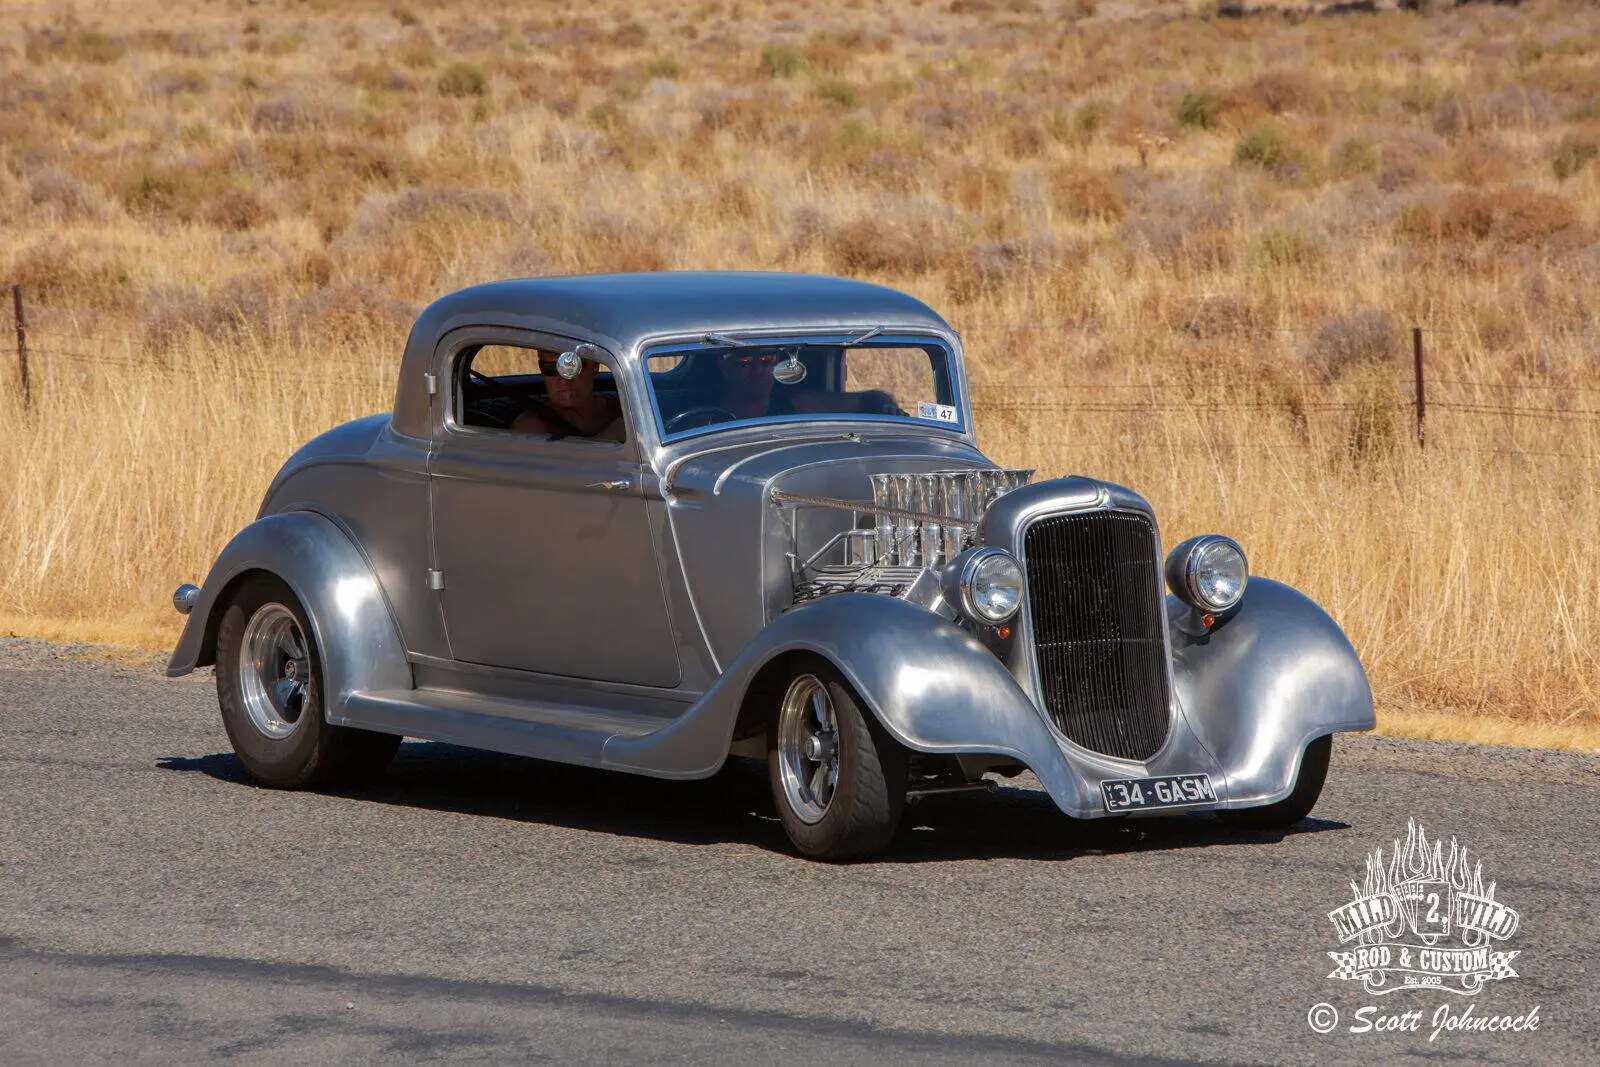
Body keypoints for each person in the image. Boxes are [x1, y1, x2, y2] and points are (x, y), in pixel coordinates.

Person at [512, 351, 625, 441]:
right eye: (550, 368)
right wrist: (610, 437)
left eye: (572, 367)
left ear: (595, 366)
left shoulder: (626, 413)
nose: (563, 380)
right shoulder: (529, 428)